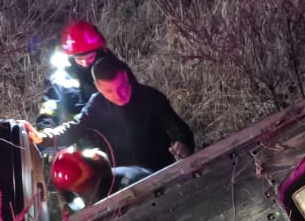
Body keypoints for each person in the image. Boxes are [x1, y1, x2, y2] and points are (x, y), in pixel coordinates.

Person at [28, 55, 194, 172]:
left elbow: (180, 131)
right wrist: (46, 137)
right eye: (109, 91)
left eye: (121, 86)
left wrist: (184, 144)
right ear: (98, 87)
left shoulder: (151, 97)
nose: (118, 95)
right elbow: (76, 128)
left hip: (160, 167)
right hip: (122, 176)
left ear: (125, 77)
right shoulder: (97, 104)